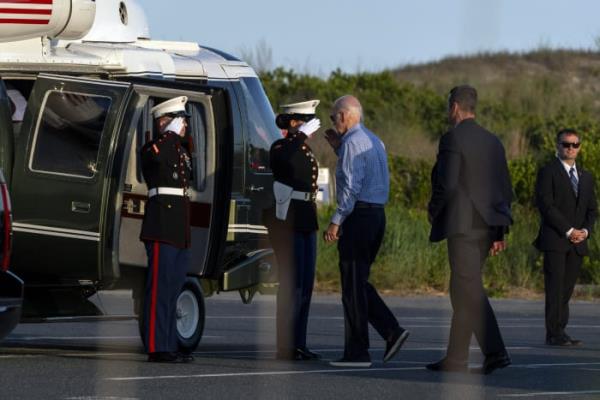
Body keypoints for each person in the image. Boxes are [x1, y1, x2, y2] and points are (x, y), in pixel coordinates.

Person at [427, 85, 513, 375]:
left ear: (455, 107)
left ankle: (495, 351)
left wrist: (432, 211)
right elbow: (503, 189)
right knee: (461, 290)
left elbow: (447, 184)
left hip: (463, 227)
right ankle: (456, 358)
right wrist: (499, 232)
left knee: (468, 289)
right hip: (486, 228)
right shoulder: (493, 141)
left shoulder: (453, 138)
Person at [323, 95, 409, 368]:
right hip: (376, 216)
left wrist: (336, 220)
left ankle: (360, 351)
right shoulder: (373, 140)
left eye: (333, 116)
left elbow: (351, 188)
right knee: (358, 282)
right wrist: (339, 149)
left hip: (358, 217)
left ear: (346, 116)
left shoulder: (351, 143)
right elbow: (371, 177)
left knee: (352, 285)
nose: (332, 122)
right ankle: (390, 331)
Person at [139, 96, 194, 363]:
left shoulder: (181, 151)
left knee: (172, 289)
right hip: (161, 225)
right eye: (180, 120)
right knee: (159, 290)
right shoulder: (155, 148)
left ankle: (169, 343)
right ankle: (156, 346)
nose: (184, 126)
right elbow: (154, 164)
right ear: (165, 121)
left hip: (177, 228)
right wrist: (169, 136)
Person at [267, 100, 322, 361]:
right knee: (291, 285)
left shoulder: (303, 149)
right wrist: (299, 135)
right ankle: (285, 345)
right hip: (288, 221)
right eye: (304, 121)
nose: (309, 127)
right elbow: (284, 158)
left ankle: (298, 343)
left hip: (306, 219)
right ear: (292, 123)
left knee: (305, 284)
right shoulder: (282, 146)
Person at [534, 128, 598, 346]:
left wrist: (585, 232)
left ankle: (560, 330)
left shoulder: (587, 177)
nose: (570, 148)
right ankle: (553, 333)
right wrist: (569, 230)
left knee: (567, 288)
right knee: (555, 287)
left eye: (575, 145)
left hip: (578, 243)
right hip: (556, 240)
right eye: (566, 144)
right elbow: (546, 205)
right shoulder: (548, 172)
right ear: (557, 146)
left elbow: (592, 210)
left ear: (579, 148)